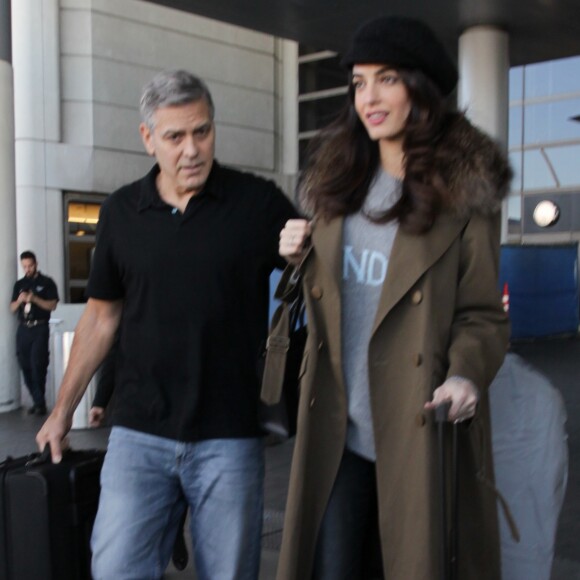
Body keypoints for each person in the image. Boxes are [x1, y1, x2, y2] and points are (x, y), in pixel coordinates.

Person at [273, 16, 512, 580]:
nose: (369, 97)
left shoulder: (463, 198)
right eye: (358, 83)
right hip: (339, 434)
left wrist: (465, 375)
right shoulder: (337, 185)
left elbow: (482, 315)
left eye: (386, 79)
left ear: (421, 90)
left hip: (417, 431)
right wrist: (298, 254)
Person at [36, 69, 298, 580]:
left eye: (202, 131)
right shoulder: (121, 212)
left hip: (229, 437)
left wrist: (301, 248)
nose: (192, 149)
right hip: (139, 434)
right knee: (115, 570)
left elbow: (316, 279)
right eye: (175, 136)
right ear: (148, 138)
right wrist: (61, 411)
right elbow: (100, 319)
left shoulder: (257, 203)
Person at [10, 250, 59, 416]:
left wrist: (35, 299)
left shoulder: (46, 282)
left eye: (30, 265)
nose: (27, 269)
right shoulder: (19, 284)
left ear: (36, 264)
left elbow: (52, 305)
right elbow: (12, 308)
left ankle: (40, 403)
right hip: (24, 327)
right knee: (24, 364)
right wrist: (20, 300)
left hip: (40, 327)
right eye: (24, 266)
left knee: (38, 363)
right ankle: (38, 400)